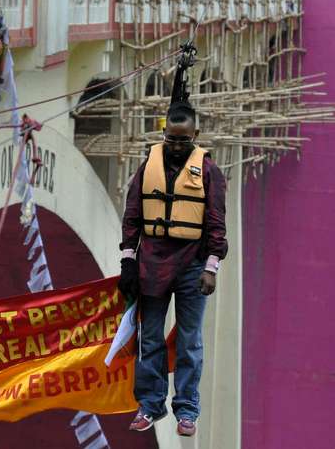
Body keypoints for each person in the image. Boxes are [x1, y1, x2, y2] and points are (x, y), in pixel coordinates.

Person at [118, 65, 227, 437]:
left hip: (193, 266)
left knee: (189, 340)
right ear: (163, 134)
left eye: (184, 140)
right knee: (149, 338)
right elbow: (132, 216)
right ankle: (150, 405)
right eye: (171, 138)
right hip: (151, 264)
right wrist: (127, 262)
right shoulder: (146, 166)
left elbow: (216, 223)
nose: (177, 146)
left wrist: (211, 266)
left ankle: (187, 409)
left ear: (195, 136)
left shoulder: (209, 172)